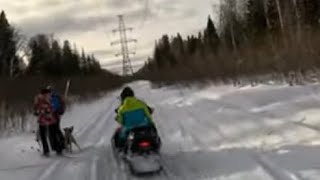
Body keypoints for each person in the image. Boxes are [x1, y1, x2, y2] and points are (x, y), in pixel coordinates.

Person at [33, 87, 63, 156]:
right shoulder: (46, 99)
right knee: (49, 135)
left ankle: (51, 150)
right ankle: (54, 150)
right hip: (48, 119)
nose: (48, 95)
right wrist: (42, 111)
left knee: (49, 135)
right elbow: (37, 109)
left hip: (47, 119)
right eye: (47, 94)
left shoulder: (41, 99)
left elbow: (36, 109)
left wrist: (39, 111)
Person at [46, 85, 66, 151]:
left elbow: (57, 106)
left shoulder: (56, 97)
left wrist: (54, 110)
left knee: (56, 130)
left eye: (50, 91)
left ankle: (61, 145)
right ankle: (55, 146)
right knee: (51, 132)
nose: (49, 92)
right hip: (49, 117)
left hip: (55, 116)